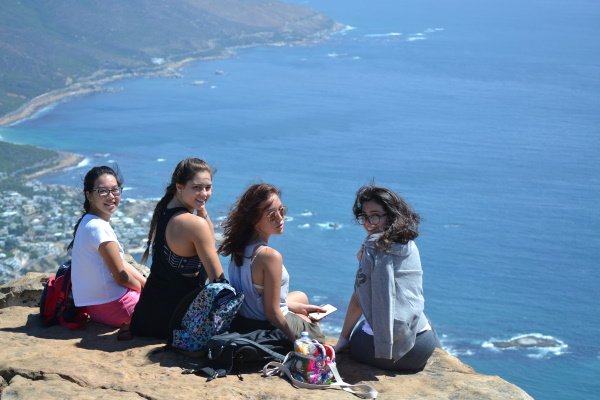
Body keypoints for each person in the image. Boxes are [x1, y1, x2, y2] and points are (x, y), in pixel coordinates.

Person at [334, 185, 439, 371]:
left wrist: (343, 338)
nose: (369, 223)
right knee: (422, 317)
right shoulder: (407, 243)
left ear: (390, 215)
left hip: (389, 352)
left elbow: (359, 297)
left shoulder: (374, 247)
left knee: (358, 333)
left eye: (375, 215)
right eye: (364, 216)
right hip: (424, 346)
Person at [129, 158, 225, 339]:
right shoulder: (194, 224)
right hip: (176, 322)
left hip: (146, 317)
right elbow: (218, 280)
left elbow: (208, 242)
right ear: (179, 186)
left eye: (208, 187)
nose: (204, 193)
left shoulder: (165, 209)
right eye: (197, 187)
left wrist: (201, 209)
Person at [218, 183, 326, 342]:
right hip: (265, 324)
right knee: (315, 331)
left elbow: (256, 298)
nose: (280, 218)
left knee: (301, 297)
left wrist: (296, 308)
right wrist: (295, 341)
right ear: (254, 220)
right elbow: (272, 313)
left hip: (245, 319)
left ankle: (297, 311)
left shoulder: (238, 248)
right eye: (271, 215)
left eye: (281, 211)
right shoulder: (269, 256)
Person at [70, 166, 147, 329]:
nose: (111, 196)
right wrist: (142, 289)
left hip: (98, 309)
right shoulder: (99, 227)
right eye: (103, 191)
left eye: (115, 190)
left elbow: (120, 263)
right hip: (118, 308)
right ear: (89, 195)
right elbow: (122, 277)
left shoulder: (87, 222)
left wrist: (146, 284)